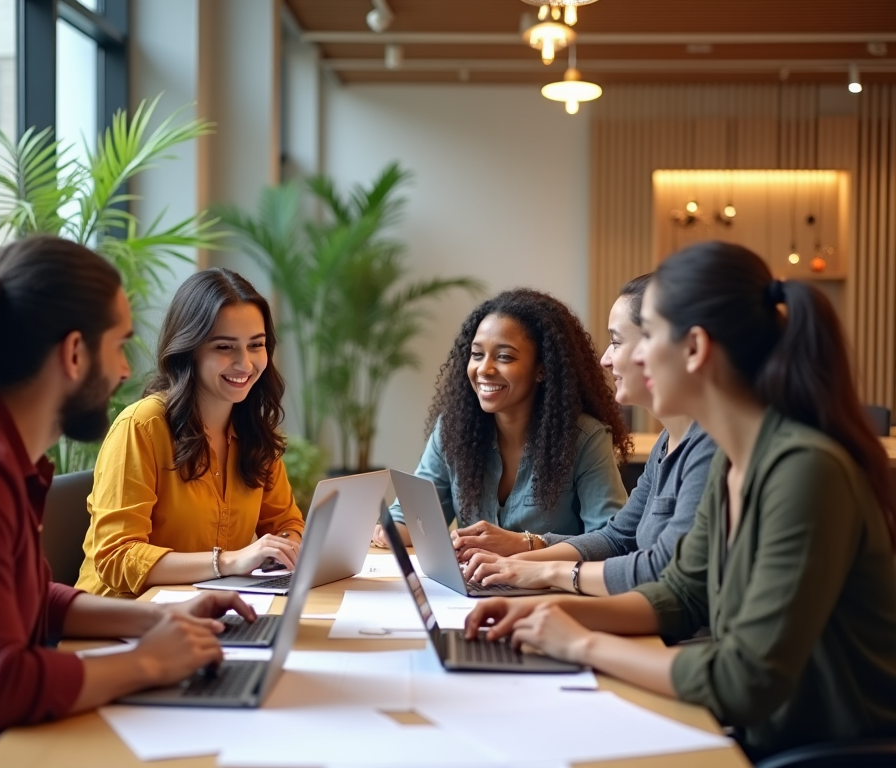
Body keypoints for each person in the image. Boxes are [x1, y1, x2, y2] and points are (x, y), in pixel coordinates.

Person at [465, 242, 896, 758]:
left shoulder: (805, 471)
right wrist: (546, 613)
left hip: (821, 749)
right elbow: (682, 595)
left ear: (693, 348)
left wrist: (579, 642)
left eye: (649, 337)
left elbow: (744, 679)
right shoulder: (738, 461)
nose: (633, 356)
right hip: (760, 732)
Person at [0, 236, 255, 768]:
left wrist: (155, 623)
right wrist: (146, 663)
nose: (125, 371)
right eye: (120, 345)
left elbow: (29, 598)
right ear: (74, 352)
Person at [462, 274, 716, 595]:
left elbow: (662, 571)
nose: (605, 359)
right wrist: (519, 565)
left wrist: (546, 571)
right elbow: (616, 537)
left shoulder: (711, 449)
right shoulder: (666, 444)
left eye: (617, 341)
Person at [76, 268, 304, 598]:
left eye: (256, 345)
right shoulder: (142, 427)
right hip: (122, 622)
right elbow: (116, 557)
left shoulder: (254, 431)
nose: (245, 363)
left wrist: (282, 549)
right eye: (225, 347)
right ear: (189, 349)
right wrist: (226, 562)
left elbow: (286, 523)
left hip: (207, 611)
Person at [372, 288, 630, 556]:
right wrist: (393, 528)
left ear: (542, 369)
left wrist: (527, 543)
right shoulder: (453, 430)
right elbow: (411, 517)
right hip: (474, 591)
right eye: (477, 354)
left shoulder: (585, 438)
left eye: (504, 357)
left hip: (549, 591)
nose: (484, 369)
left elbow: (610, 540)